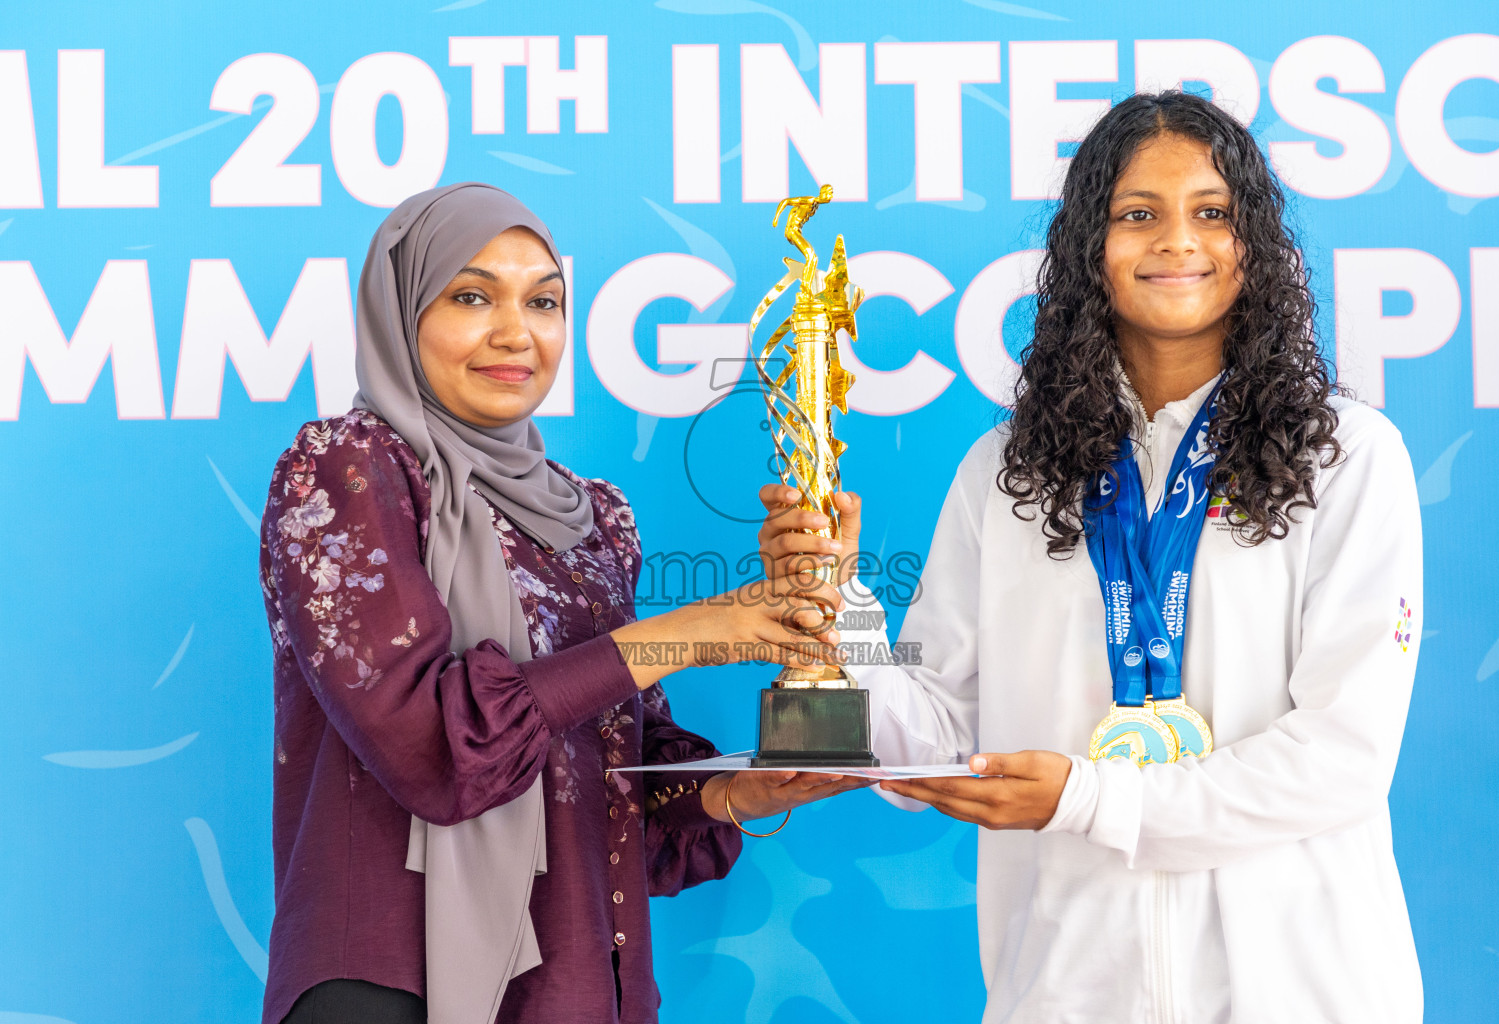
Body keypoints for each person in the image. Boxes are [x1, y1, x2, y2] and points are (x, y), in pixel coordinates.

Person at [758, 92, 1423, 1022]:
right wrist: (841, 619)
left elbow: (1343, 756)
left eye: (1212, 213)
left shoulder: (1346, 457)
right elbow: (936, 740)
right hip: (1066, 990)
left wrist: (1090, 800)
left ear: (1255, 245)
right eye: (1137, 214)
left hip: (1301, 991)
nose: (1177, 242)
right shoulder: (1007, 470)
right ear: (1088, 250)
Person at [258, 182, 864, 1024]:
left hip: (576, 985)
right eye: (472, 296)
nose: (518, 332)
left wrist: (738, 790)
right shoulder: (346, 470)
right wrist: (687, 635)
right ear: (402, 315)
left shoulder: (594, 517)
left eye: (544, 301)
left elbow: (614, 788)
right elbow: (434, 747)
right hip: (392, 985)